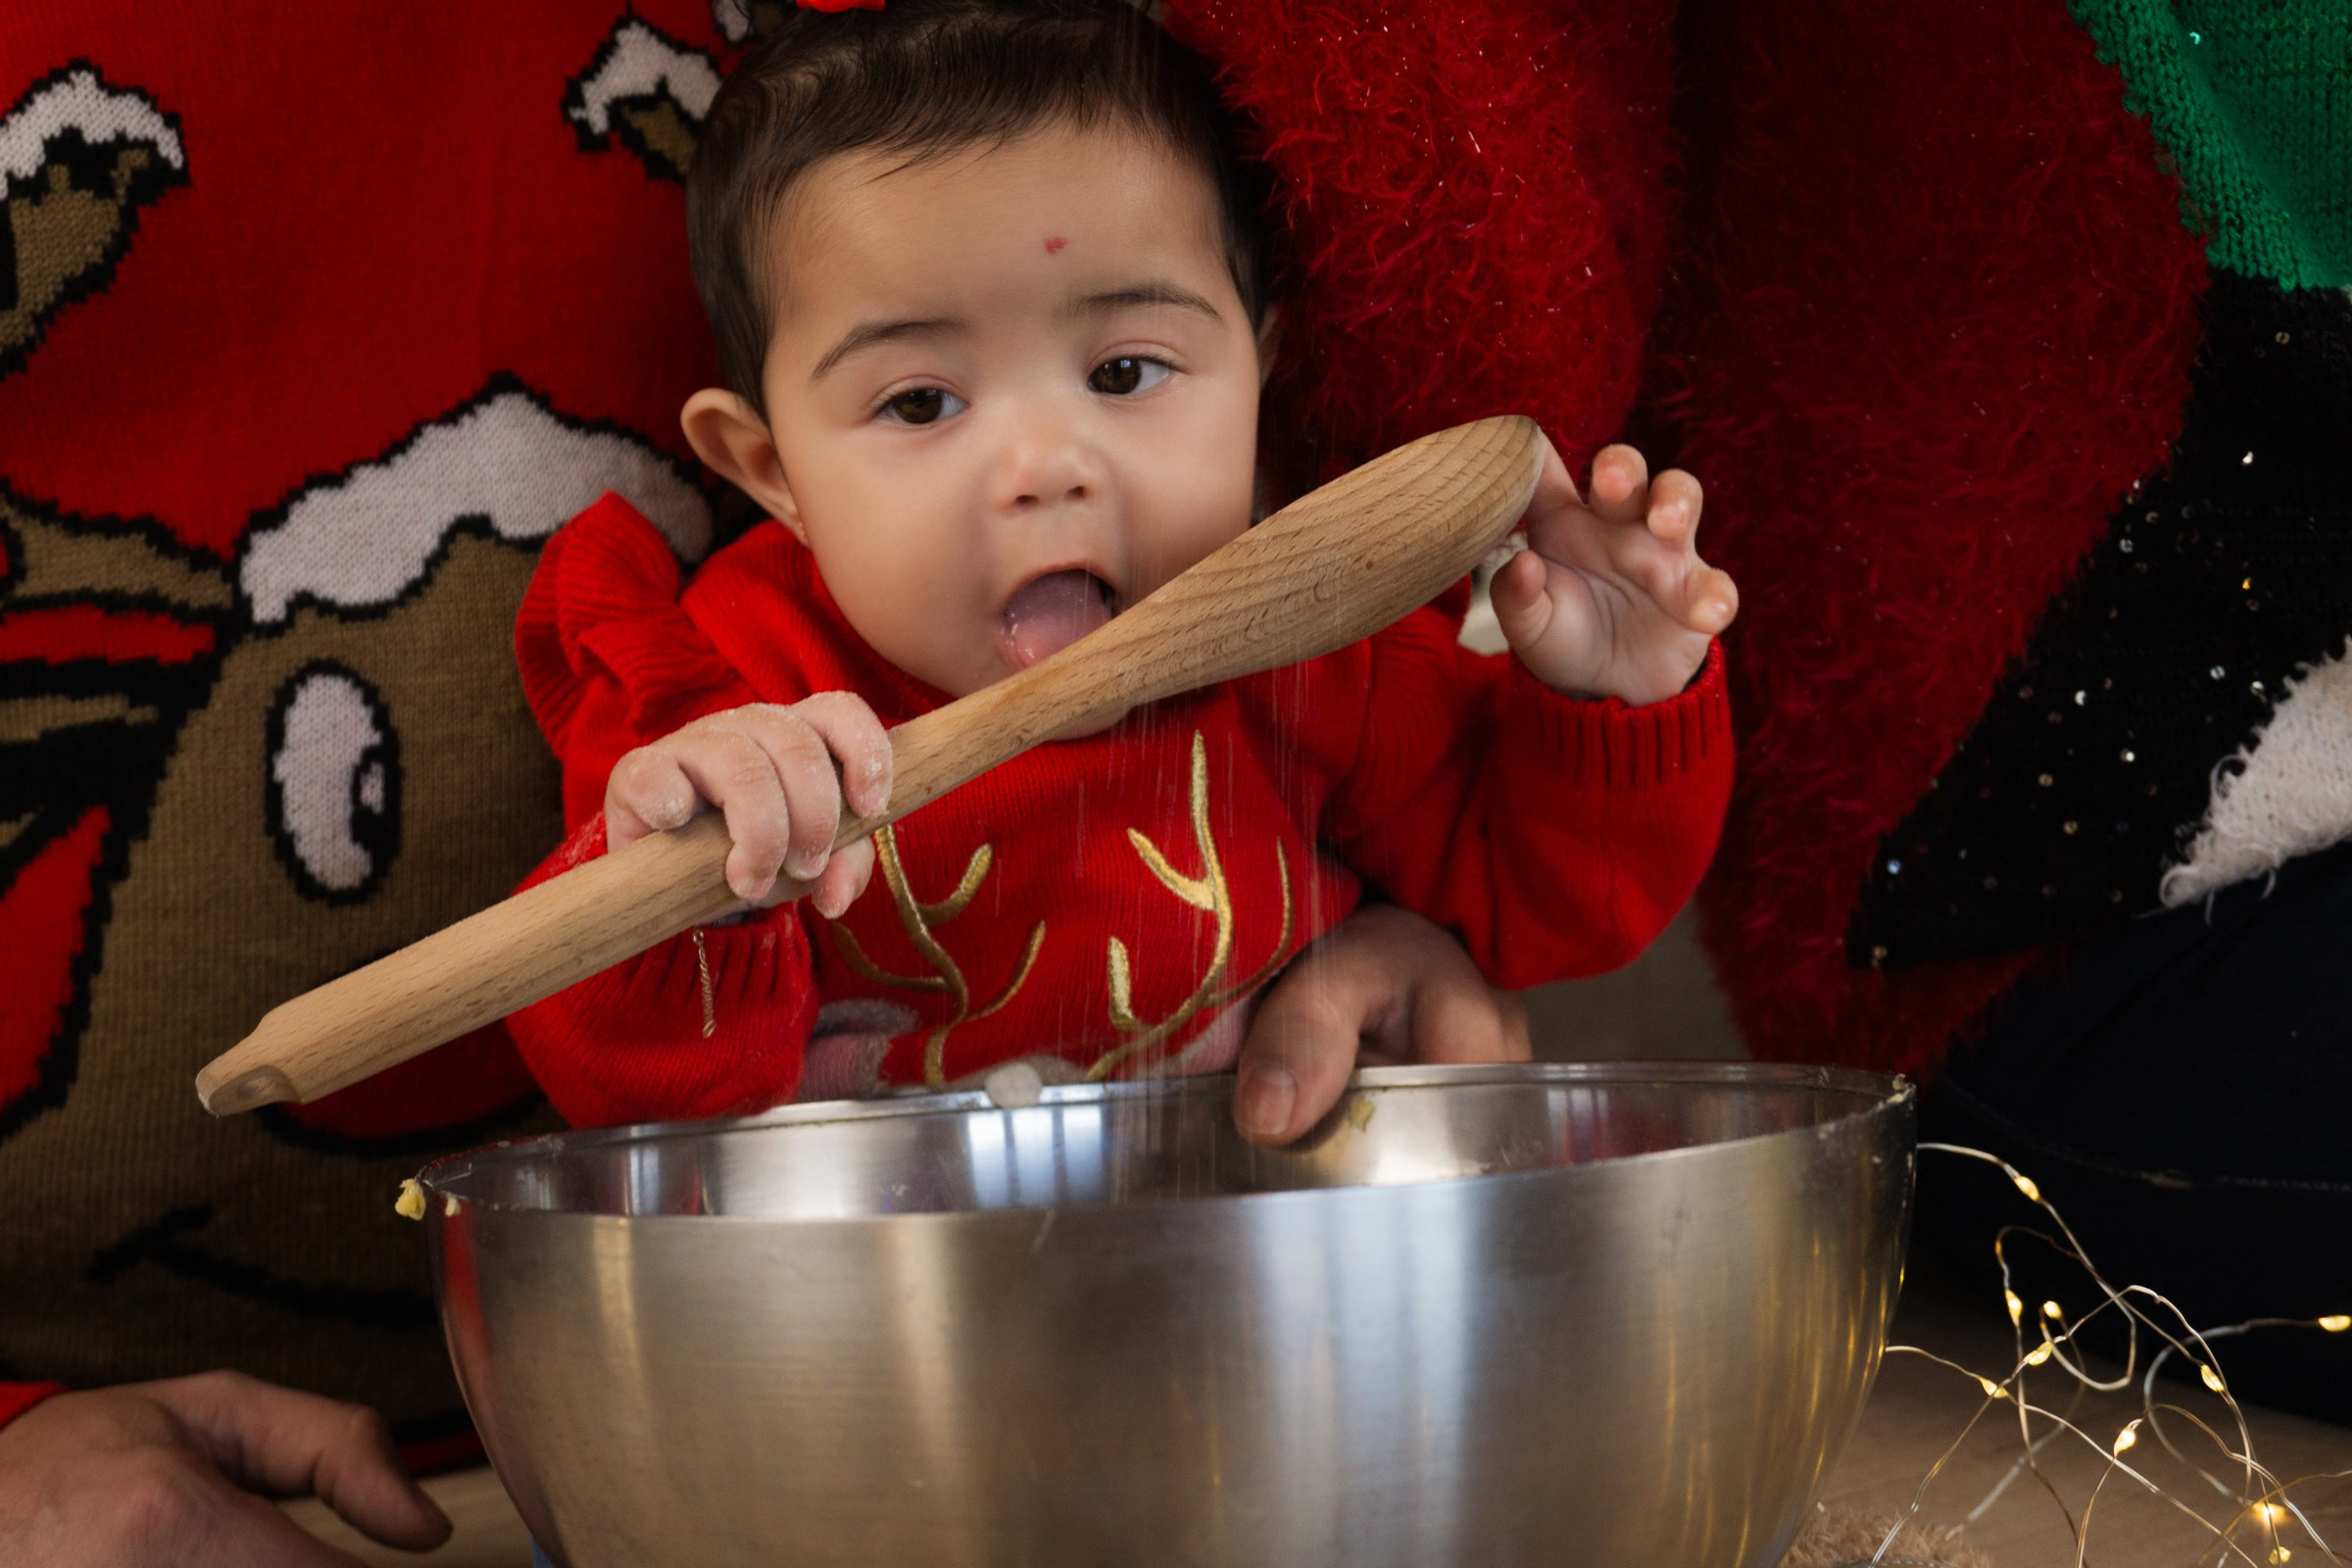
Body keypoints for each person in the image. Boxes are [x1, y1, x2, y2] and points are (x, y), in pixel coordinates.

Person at [502, 0, 1739, 1137]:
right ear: (771, 470)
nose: (1046, 466)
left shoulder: (1318, 648)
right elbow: (627, 1084)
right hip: (883, 1333)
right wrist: (703, 877)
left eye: (1124, 372)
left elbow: (1540, 905)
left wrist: (1610, 694)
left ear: (1259, 377)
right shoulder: (727, 700)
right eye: (922, 399)